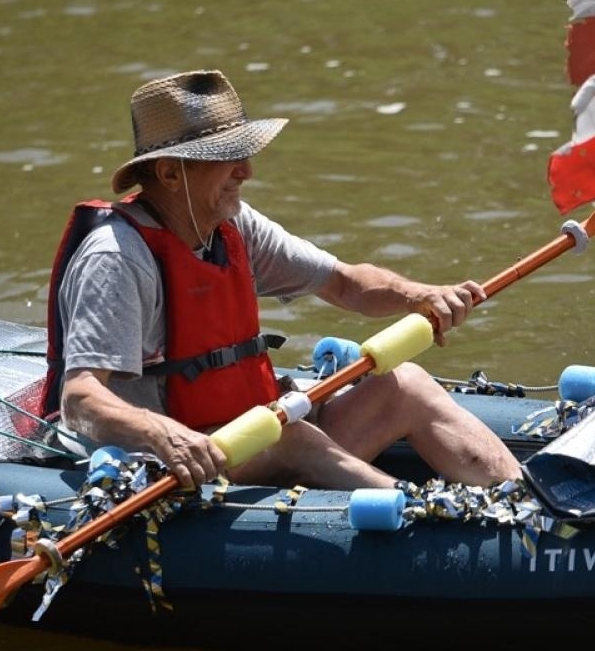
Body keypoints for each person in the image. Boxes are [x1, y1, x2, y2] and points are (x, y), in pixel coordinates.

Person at [43, 69, 522, 492]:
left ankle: (523, 500)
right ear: (169, 173)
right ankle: (429, 513)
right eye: (228, 157)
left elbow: (347, 284)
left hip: (251, 435)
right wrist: (158, 432)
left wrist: (422, 295)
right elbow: (80, 398)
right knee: (288, 435)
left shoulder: (232, 225)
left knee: (406, 384)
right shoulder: (117, 259)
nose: (247, 172)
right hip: (179, 465)